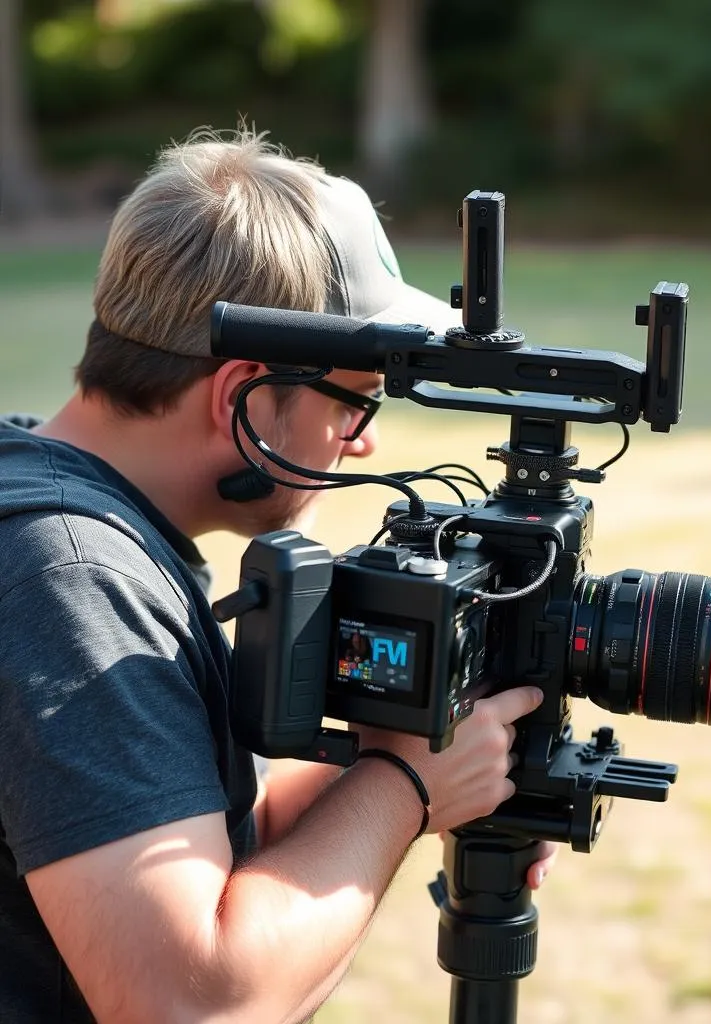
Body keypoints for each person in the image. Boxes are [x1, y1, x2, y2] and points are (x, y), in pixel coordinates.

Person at [0, 128, 556, 1024]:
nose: (365, 441)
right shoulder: (68, 577)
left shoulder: (54, 497)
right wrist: (403, 789)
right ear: (243, 398)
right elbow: (189, 1005)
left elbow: (218, 827)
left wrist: (418, 755)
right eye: (355, 400)